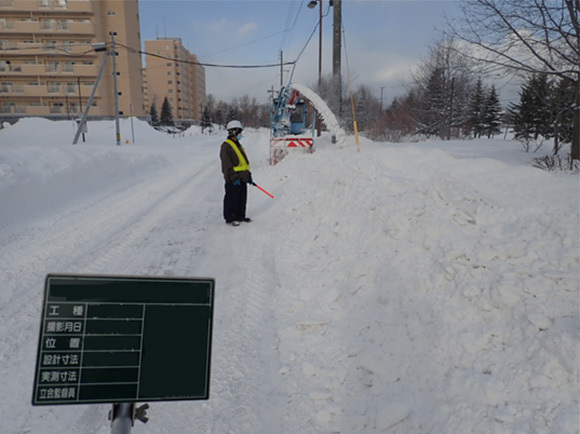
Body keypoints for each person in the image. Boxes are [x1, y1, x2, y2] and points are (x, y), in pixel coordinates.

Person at [220, 120, 253, 226]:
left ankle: (240, 216)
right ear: (233, 132)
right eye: (239, 132)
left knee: (242, 198)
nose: (240, 135)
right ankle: (230, 218)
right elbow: (226, 165)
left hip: (242, 178)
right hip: (233, 179)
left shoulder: (238, 145)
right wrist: (234, 178)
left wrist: (248, 176)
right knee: (232, 199)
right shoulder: (226, 146)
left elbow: (243, 163)